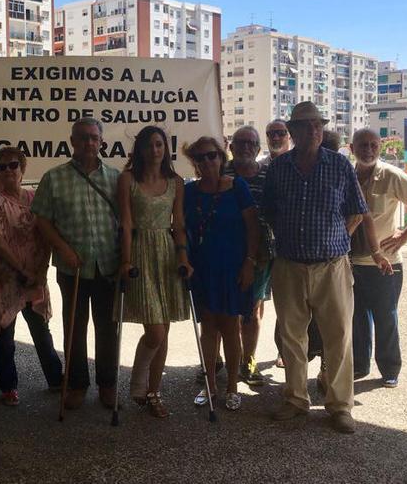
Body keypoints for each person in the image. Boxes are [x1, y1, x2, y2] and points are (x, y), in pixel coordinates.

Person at [262, 101, 389, 434]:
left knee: (339, 336)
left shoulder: (339, 166)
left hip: (332, 266)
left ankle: (340, 406)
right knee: (291, 337)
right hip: (289, 265)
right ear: (293, 132)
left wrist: (336, 240)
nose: (314, 131)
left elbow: (356, 212)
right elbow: (270, 213)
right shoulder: (278, 169)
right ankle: (295, 399)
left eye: (318, 125)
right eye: (306, 126)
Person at [32, 117, 121, 410]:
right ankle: (78, 383)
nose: (89, 143)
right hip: (73, 267)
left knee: (108, 329)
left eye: (94, 138)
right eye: (82, 138)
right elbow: (42, 220)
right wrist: (63, 249)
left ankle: (107, 384)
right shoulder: (53, 178)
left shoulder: (115, 178)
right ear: (72, 141)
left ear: (101, 141)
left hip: (108, 265)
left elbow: (126, 220)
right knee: (75, 328)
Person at [350, 128, 407, 388]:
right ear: (352, 149)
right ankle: (359, 366)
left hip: (384, 264)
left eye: (374, 145)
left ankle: (389, 369)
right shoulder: (347, 176)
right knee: (356, 318)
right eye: (363, 145)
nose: (368, 150)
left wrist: (403, 238)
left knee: (386, 317)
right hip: (352, 261)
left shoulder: (390, 175)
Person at [117, 126, 191, 418]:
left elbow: (179, 223)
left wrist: (184, 255)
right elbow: (125, 223)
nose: (155, 150)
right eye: (149, 145)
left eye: (159, 144)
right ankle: (138, 381)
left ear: (166, 149)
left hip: (167, 252)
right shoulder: (127, 180)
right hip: (139, 252)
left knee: (165, 327)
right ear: (140, 150)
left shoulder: (176, 182)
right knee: (155, 330)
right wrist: (125, 260)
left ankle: (154, 392)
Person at [0, 147, 63, 406]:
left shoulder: (35, 199)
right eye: (2, 167)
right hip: (7, 276)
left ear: (23, 168)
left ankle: (57, 380)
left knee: (41, 331)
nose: (8, 171)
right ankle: (8, 385)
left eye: (13, 165)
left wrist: (40, 271)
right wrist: (22, 270)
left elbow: (48, 235)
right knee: (5, 335)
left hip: (35, 276)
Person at [184, 136, 259, 412]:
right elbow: (180, 229)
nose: (207, 161)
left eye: (212, 155)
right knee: (208, 329)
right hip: (202, 268)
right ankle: (211, 386)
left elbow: (253, 227)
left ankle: (232, 387)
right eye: (200, 157)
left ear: (221, 157)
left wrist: (250, 262)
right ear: (194, 162)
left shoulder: (238, 187)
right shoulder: (189, 192)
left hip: (233, 267)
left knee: (230, 327)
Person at [225, 126, 273, 387]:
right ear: (231, 148)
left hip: (260, 252)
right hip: (223, 250)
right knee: (221, 309)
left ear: (257, 148)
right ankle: (218, 360)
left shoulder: (269, 175)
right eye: (240, 142)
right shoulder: (220, 172)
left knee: (252, 310)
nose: (245, 147)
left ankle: (248, 360)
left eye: (251, 143)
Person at [264, 119, 292, 369]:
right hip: (263, 245)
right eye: (271, 133)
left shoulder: (297, 164)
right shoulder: (261, 167)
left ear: (289, 135)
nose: (276, 137)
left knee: (287, 303)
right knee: (258, 305)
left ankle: (283, 350)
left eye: (281, 133)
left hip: (289, 246)